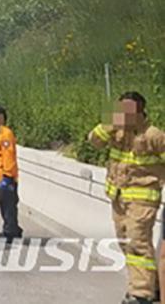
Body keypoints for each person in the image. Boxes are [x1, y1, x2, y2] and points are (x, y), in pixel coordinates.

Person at [89, 91, 165, 304]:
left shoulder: (153, 135)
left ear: (141, 112)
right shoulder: (115, 130)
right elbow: (93, 141)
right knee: (126, 243)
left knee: (137, 242)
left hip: (143, 199)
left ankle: (141, 294)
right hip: (119, 197)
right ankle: (153, 284)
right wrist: (110, 124)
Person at [0, 105, 23, 240]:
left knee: (8, 206)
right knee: (7, 205)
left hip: (5, 177)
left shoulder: (5, 134)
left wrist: (7, 176)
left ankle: (9, 232)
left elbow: (8, 155)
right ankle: (14, 228)